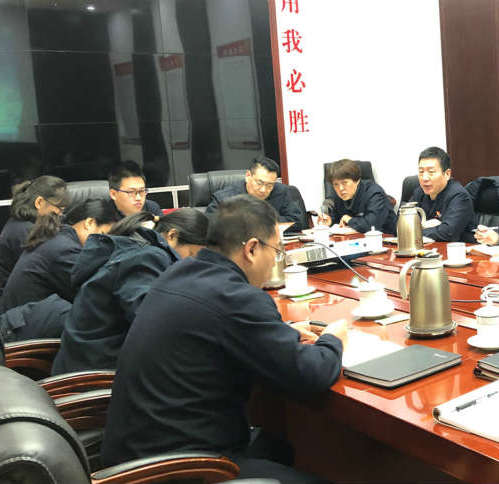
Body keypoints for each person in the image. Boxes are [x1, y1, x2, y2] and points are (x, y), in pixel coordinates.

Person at [101, 195, 347, 482]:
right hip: (177, 469)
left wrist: (283, 331)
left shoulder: (179, 272)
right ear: (252, 249)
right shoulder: (237, 298)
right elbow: (311, 374)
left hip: (136, 456)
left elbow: (217, 326)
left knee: (278, 447)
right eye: (276, 251)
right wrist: (333, 339)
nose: (275, 261)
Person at [51, 208, 209, 375]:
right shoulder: (147, 257)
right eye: (191, 255)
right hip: (96, 371)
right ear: (172, 235)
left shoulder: (134, 246)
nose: (191, 264)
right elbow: (148, 318)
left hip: (88, 358)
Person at [0, 199, 118, 313]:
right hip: (25, 325)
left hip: (24, 320)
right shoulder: (65, 251)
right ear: (89, 223)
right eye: (103, 235)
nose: (103, 244)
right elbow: (95, 294)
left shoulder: (58, 238)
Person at [0, 176, 68, 305]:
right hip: (13, 305)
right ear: (39, 202)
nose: (60, 215)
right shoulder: (26, 232)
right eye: (59, 208)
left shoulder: (22, 223)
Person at [206, 157, 304, 232]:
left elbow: (298, 221)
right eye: (259, 183)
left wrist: (262, 221)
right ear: (248, 176)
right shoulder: (224, 198)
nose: (263, 190)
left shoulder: (281, 191)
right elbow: (209, 226)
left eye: (270, 185)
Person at [408, 147, 475, 242]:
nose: (425, 178)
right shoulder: (419, 193)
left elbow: (448, 232)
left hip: (459, 249)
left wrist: (415, 230)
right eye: (421, 172)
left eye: (431, 172)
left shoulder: (459, 196)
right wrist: (422, 226)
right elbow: (401, 223)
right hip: (427, 248)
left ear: (447, 174)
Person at [317, 159, 396, 234]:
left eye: (344, 183)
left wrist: (349, 220)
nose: (340, 188)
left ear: (357, 180)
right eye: (336, 184)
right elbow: (339, 219)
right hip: (356, 240)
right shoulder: (340, 196)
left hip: (386, 240)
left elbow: (372, 226)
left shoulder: (374, 193)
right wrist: (330, 221)